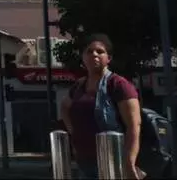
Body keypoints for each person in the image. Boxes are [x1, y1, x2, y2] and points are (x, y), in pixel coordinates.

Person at [60, 34, 145, 179]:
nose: (94, 54)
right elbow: (64, 107)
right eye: (89, 51)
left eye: (100, 51)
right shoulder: (79, 86)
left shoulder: (119, 85)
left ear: (108, 59)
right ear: (83, 58)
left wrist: (129, 162)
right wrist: (74, 133)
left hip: (112, 161)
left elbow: (134, 126)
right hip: (84, 161)